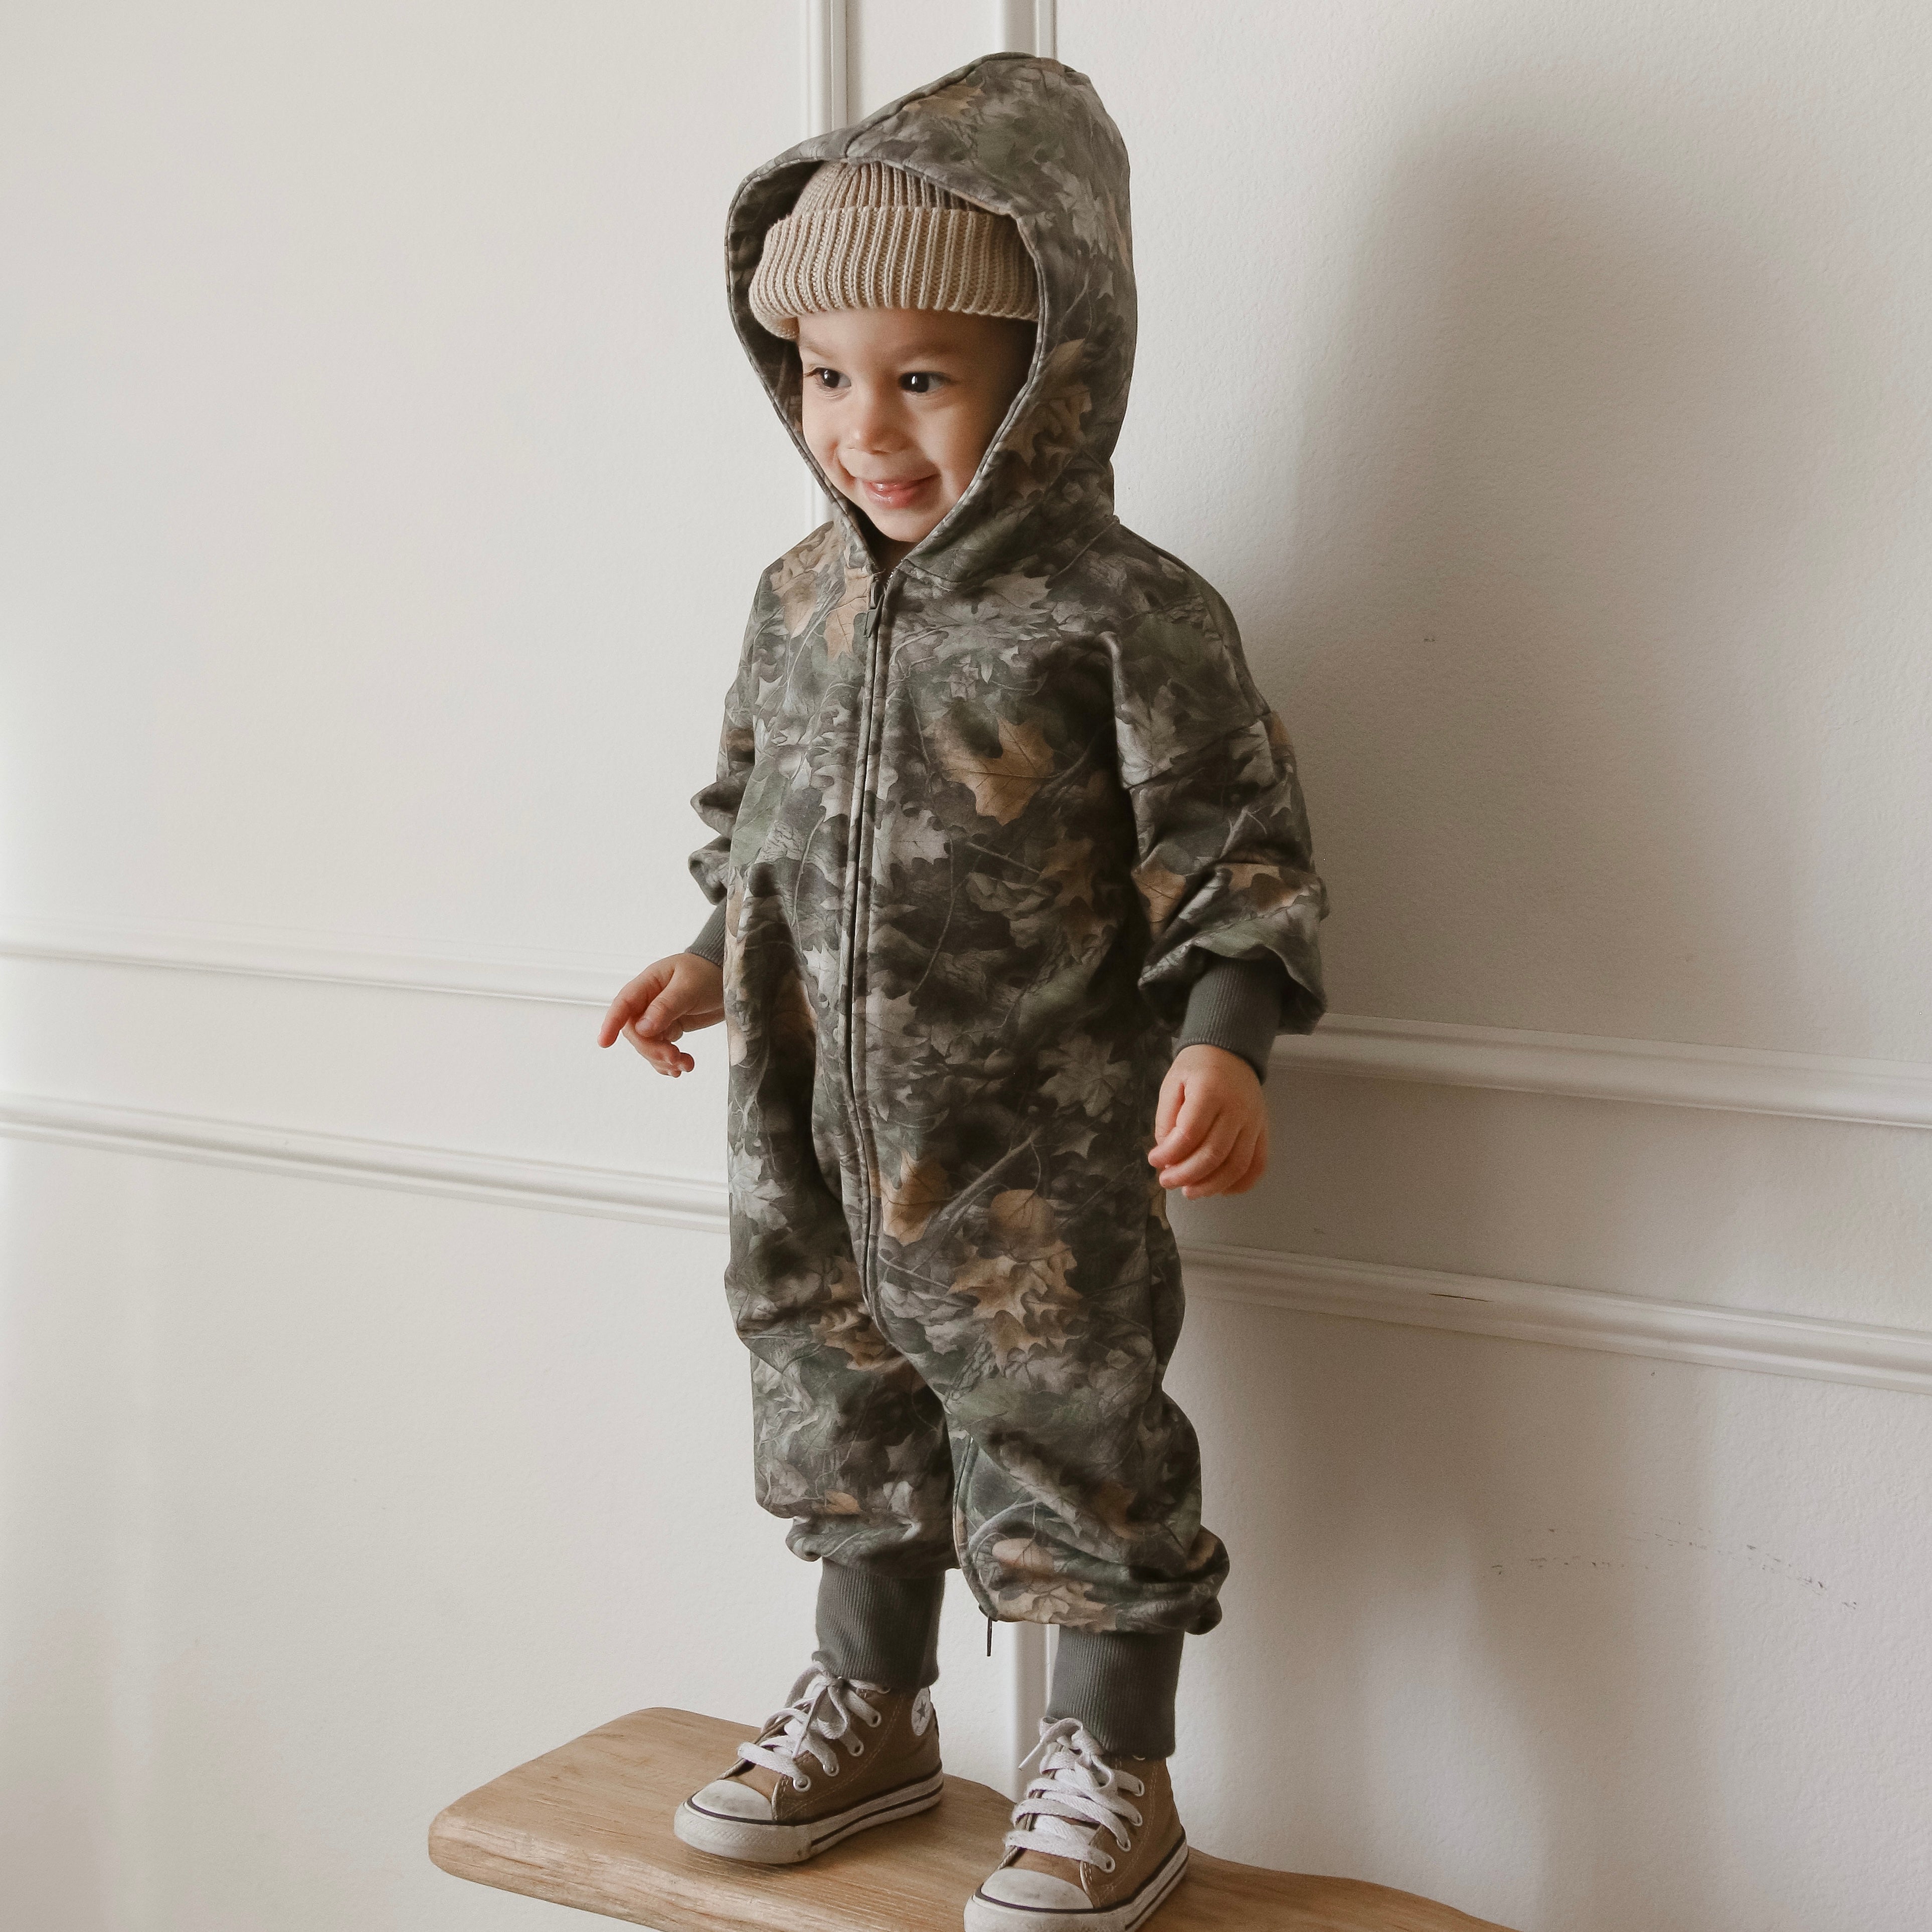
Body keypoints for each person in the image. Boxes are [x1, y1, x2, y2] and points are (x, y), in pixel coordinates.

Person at [598, 50, 1325, 1932]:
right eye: (827, 377)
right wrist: (706, 958)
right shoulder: (796, 599)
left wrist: (1229, 1042)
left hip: (1030, 1147)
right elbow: (752, 817)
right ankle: (876, 1704)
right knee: (832, 1389)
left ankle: (1112, 1763)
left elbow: (1235, 852)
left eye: (922, 378)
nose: (867, 428)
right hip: (805, 1123)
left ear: (1049, 372)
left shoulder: (1124, 612)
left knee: (1071, 1422)